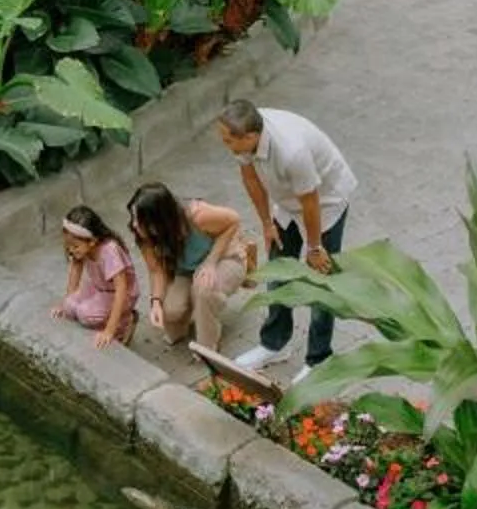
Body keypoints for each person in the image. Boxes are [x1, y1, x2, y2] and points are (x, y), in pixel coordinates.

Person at [215, 100, 357, 368]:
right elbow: (250, 178)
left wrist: (314, 248)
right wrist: (267, 223)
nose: (225, 146)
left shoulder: (292, 152)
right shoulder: (244, 137)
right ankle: (275, 343)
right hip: (288, 200)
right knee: (279, 269)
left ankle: (319, 360)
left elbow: (311, 202)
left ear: (250, 137)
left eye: (228, 141)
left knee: (322, 281)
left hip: (325, 202)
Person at [127, 182, 250, 354]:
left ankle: (207, 348)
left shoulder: (197, 215)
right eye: (133, 217)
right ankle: (191, 317)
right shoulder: (144, 235)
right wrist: (155, 302)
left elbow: (233, 221)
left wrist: (211, 262)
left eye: (138, 219)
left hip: (224, 257)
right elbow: (156, 271)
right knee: (170, 310)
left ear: (158, 219)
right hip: (185, 270)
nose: (133, 224)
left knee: (203, 290)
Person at [50, 205, 135, 350]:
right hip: (99, 287)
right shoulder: (81, 249)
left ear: (92, 241)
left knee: (85, 314)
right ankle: (105, 318)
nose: (70, 250)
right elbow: (75, 271)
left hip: (120, 294)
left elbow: (122, 289)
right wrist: (65, 304)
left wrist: (109, 330)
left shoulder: (109, 251)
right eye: (68, 245)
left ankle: (124, 323)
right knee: (70, 307)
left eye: (75, 246)